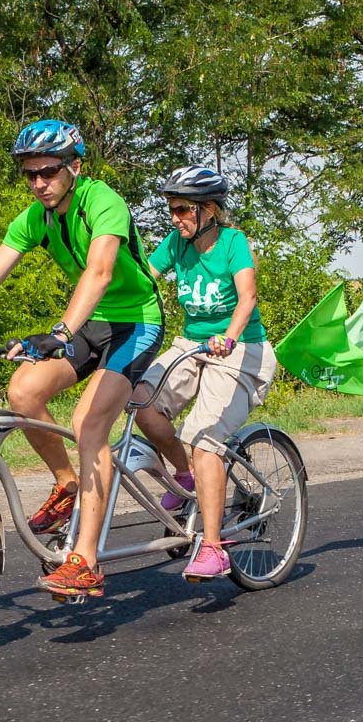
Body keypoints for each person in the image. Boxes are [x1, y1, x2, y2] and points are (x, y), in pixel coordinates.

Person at [0, 119, 165, 599]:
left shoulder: (102, 202)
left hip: (136, 322)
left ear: (74, 167)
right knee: (23, 390)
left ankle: (85, 561)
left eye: (48, 171)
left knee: (89, 423)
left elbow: (101, 271)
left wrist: (60, 332)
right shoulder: (35, 218)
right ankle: (67, 484)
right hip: (90, 323)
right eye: (30, 174)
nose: (39, 182)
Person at [131, 165, 277, 581]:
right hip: (192, 345)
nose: (174, 218)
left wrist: (229, 337)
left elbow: (247, 297)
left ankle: (213, 547)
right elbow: (144, 278)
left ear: (208, 210)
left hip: (240, 350)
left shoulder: (233, 242)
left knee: (204, 438)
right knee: (141, 402)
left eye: (181, 209)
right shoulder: (177, 243)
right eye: (171, 210)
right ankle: (186, 477)